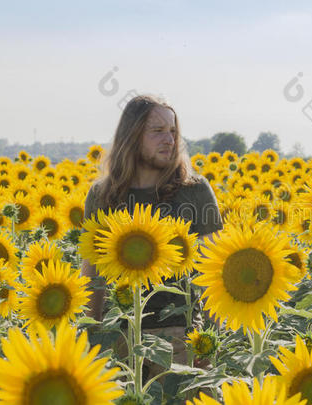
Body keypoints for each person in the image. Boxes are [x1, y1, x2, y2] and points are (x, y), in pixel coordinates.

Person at [80, 94, 223, 384]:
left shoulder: (194, 191)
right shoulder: (102, 195)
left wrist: (210, 339)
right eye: (157, 131)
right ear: (132, 137)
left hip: (179, 336)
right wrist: (89, 335)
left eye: (173, 131)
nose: (169, 140)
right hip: (117, 333)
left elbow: (214, 270)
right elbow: (91, 272)